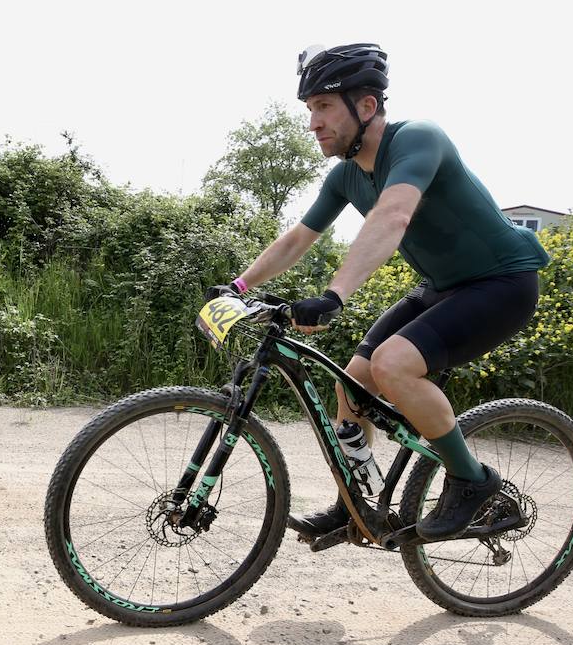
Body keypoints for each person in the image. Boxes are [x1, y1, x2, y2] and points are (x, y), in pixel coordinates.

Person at [207, 43, 550, 541]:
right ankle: (358, 503)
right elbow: (298, 238)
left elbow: (393, 216)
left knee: (392, 365)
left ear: (366, 106)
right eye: (310, 110)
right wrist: (239, 285)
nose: (313, 123)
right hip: (443, 288)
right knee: (353, 382)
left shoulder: (418, 141)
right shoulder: (346, 175)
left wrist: (334, 294)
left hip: (503, 283)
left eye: (323, 107)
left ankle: (471, 481)